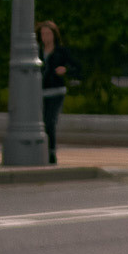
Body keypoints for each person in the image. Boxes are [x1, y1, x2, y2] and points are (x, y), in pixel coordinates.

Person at [38, 21, 74, 165]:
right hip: (41, 92)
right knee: (42, 123)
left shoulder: (60, 51)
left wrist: (65, 70)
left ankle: (51, 153)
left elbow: (75, 66)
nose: (45, 37)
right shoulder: (38, 51)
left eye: (48, 34)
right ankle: (43, 151)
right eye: (43, 34)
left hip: (56, 91)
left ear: (54, 35)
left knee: (50, 122)